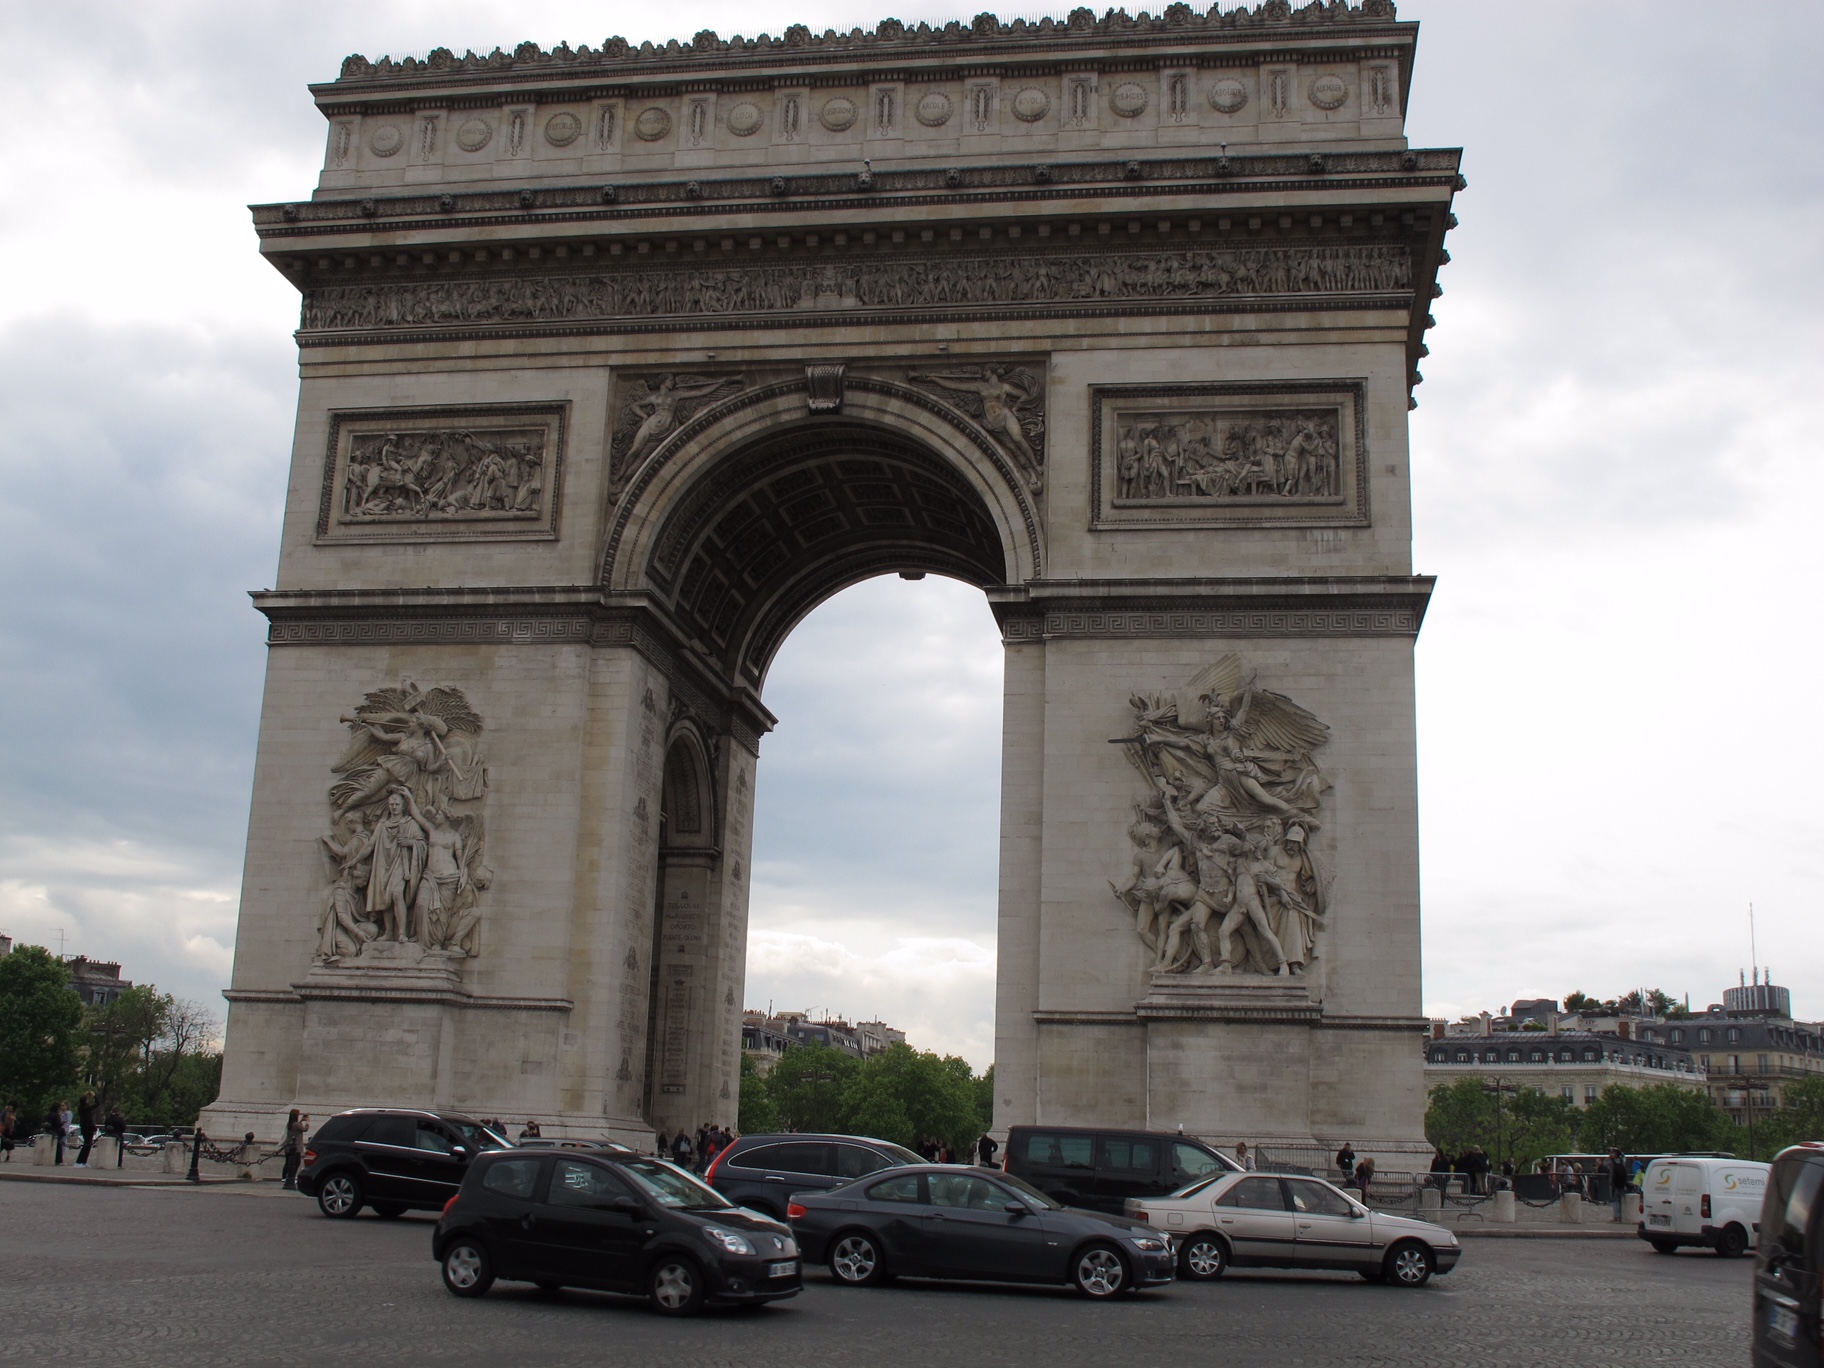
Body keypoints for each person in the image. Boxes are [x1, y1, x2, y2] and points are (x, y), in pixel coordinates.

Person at [281, 1109, 308, 1190]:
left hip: (288, 1147)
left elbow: (297, 1127)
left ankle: (285, 1177)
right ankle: (291, 1177)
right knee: (297, 1162)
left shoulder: (291, 1123)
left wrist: (301, 1120)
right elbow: (304, 1129)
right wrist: (307, 1122)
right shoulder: (296, 1124)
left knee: (288, 1162)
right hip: (295, 1147)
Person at [1604, 1148, 1629, 1222]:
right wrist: (1620, 1152)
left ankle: (1616, 1216)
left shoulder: (1611, 1162)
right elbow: (1624, 1157)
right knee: (1621, 1199)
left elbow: (1604, 1163)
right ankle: (1622, 1215)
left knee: (1614, 1199)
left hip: (1614, 1183)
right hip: (1622, 1182)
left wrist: (1608, 1158)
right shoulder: (1622, 1161)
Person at [75, 1090, 98, 1167]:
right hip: (88, 1127)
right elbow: (97, 1103)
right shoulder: (86, 1108)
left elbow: (86, 1103)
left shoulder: (81, 1107)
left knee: (87, 1144)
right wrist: (94, 1096)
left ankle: (83, 1161)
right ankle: (79, 1161)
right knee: (87, 1144)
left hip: (84, 1126)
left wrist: (86, 1096)